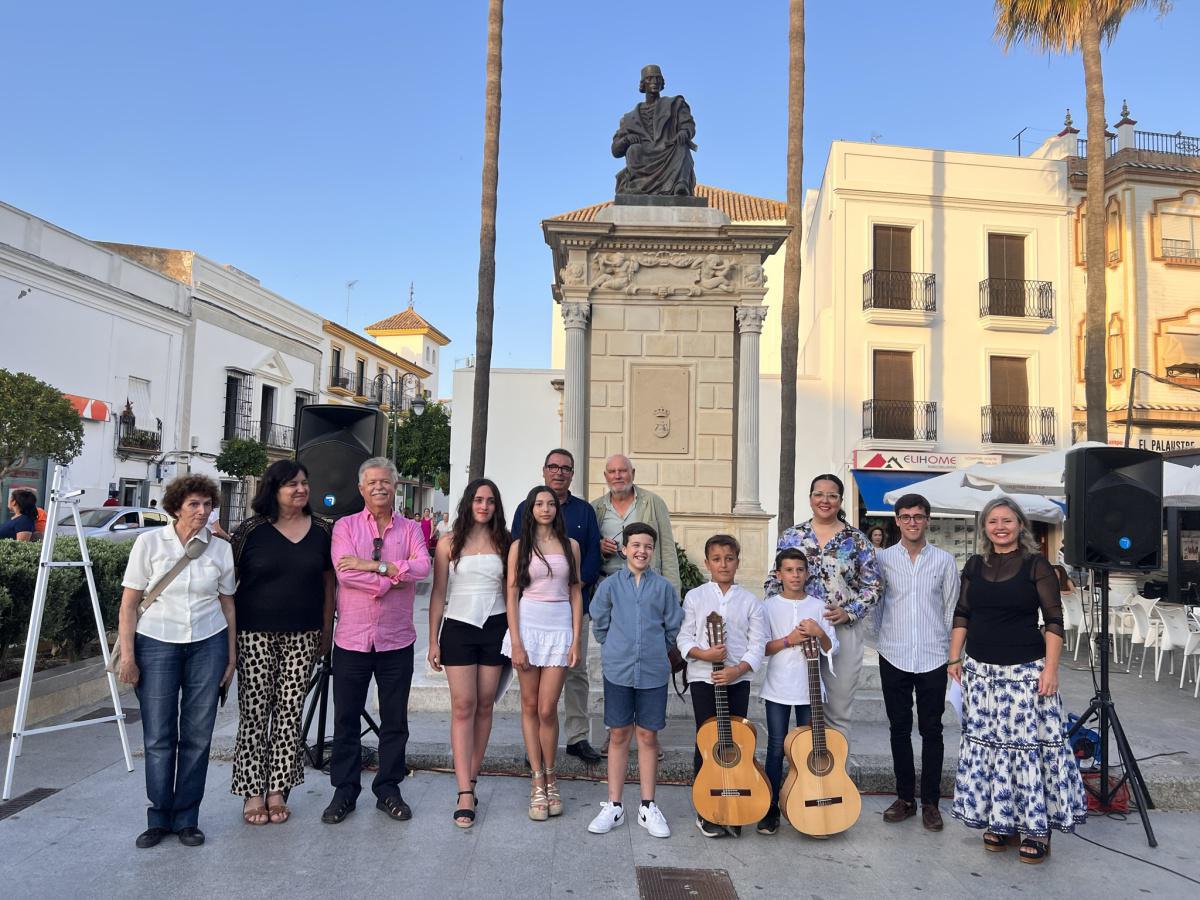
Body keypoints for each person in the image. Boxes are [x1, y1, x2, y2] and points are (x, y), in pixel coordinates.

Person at [948, 497, 1087, 863]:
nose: (999, 526)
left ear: (1020, 526)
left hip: (1026, 671)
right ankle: (1001, 820)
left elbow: (1054, 621)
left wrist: (1052, 669)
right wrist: (954, 658)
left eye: (1007, 520)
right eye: (992, 521)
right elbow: (962, 613)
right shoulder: (974, 565)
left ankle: (1036, 828)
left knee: (1027, 749)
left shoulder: (1036, 565)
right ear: (984, 528)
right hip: (981, 672)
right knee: (990, 749)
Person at [116, 474, 237, 848]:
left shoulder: (220, 549)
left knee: (198, 737)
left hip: (208, 644)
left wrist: (231, 656)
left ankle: (187, 818)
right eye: (194, 505)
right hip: (156, 644)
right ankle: (158, 817)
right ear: (176, 508)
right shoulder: (149, 543)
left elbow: (228, 603)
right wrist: (128, 656)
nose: (202, 512)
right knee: (158, 736)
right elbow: (129, 605)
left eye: (207, 505)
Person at [322, 458, 431, 826]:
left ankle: (388, 788)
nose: (379, 487)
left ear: (395, 486)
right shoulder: (344, 526)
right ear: (361, 488)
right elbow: (344, 572)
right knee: (346, 717)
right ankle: (345, 790)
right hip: (352, 638)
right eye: (372, 482)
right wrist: (392, 572)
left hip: (396, 639)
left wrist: (379, 567)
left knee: (395, 719)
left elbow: (423, 567)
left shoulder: (412, 528)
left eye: (385, 481)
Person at [228, 460, 335, 826]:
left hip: (304, 634)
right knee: (255, 714)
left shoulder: (323, 530)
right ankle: (252, 792)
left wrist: (326, 631)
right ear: (273, 489)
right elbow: (229, 585)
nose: (301, 489)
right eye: (292, 484)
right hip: (254, 633)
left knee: (289, 714)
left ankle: (278, 790)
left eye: (304, 483)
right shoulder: (250, 531)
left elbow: (328, 585)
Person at [767, 473, 882, 741]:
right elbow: (774, 580)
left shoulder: (856, 540)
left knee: (837, 712)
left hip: (839, 630)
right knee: (802, 709)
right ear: (810, 499)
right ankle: (801, 777)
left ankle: (833, 779)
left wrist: (849, 612)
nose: (825, 500)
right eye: (819, 494)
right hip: (797, 633)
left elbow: (873, 586)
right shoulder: (792, 536)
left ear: (841, 500)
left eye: (832, 495)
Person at [588, 523, 684, 839]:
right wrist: (613, 645)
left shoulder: (664, 589)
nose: (641, 551)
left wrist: (658, 648)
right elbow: (599, 621)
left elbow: (673, 626)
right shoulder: (611, 586)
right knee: (618, 734)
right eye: (635, 545)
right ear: (625, 548)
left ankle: (647, 805)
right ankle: (614, 804)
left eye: (647, 546)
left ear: (652, 551)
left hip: (654, 672)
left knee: (646, 736)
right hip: (618, 670)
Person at [427, 478, 511, 828]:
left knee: (485, 704)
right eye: (478, 499)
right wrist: (433, 640)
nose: (484, 506)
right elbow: (437, 593)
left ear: (496, 506)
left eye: (490, 501)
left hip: (495, 625)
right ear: (469, 502)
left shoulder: (506, 542)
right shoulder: (448, 542)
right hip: (458, 627)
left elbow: (515, 589)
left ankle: (473, 778)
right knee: (463, 705)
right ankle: (463, 791)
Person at [873, 494, 959, 832]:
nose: (912, 522)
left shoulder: (943, 561)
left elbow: (952, 609)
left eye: (918, 516)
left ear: (927, 520)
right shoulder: (882, 560)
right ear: (896, 520)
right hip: (893, 653)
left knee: (932, 730)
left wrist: (954, 655)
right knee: (898, 729)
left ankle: (931, 803)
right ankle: (905, 798)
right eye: (906, 516)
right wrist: (881, 640)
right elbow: (875, 604)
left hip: (934, 655)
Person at [511, 448, 602, 764]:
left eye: (566, 468)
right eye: (554, 466)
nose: (559, 472)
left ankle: (577, 737)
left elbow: (591, 554)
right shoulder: (526, 507)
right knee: (534, 694)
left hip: (572, 609)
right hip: (534, 613)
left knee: (577, 673)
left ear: (572, 474)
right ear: (544, 470)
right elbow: (517, 556)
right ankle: (535, 746)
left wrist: (574, 586)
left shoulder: (584, 511)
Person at [592, 453, 680, 759]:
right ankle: (614, 733)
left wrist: (673, 591)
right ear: (606, 476)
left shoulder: (652, 502)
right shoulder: (597, 508)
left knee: (649, 670)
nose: (618, 476)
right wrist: (600, 549)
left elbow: (666, 546)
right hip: (613, 589)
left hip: (650, 587)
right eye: (612, 472)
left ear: (633, 473)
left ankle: (649, 737)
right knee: (617, 670)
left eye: (623, 471)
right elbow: (590, 552)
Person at [502, 485, 583, 820]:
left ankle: (552, 776)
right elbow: (511, 594)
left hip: (559, 629)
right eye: (539, 504)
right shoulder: (519, 546)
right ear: (530, 509)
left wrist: (576, 640)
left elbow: (576, 593)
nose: (546, 508)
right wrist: (517, 641)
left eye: (551, 504)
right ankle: (537, 780)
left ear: (557, 509)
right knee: (530, 705)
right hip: (528, 628)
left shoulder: (571, 546)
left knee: (548, 709)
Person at [678, 534, 766, 838]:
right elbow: (684, 637)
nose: (723, 564)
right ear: (707, 563)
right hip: (703, 679)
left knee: (736, 743)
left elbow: (758, 645)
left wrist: (737, 670)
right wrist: (704, 654)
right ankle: (706, 807)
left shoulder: (751, 601)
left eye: (729, 559)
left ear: (738, 562)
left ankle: (735, 798)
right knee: (707, 740)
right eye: (717, 559)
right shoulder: (696, 596)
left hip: (736, 681)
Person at [758, 549, 838, 836]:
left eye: (800, 570)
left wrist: (819, 632)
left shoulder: (818, 606)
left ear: (807, 573)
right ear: (778, 574)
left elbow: (832, 648)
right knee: (776, 747)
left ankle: (807, 804)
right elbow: (762, 648)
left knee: (809, 750)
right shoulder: (768, 606)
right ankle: (770, 809)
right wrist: (789, 640)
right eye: (789, 570)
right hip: (779, 688)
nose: (794, 575)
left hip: (810, 691)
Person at [611, 64, 697, 197]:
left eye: (658, 79)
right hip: (644, 157)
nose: (654, 82)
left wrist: (684, 132)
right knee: (633, 150)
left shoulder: (675, 104)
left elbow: (688, 125)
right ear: (643, 84)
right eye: (650, 79)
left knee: (682, 147)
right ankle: (638, 187)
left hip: (668, 151)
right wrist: (626, 140)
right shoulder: (628, 119)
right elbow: (615, 150)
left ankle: (680, 185)